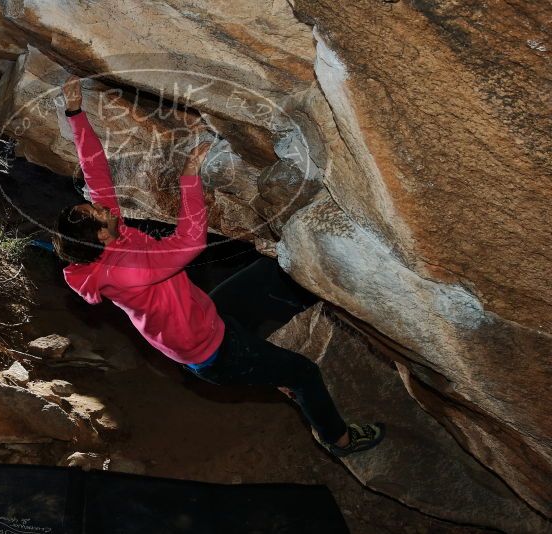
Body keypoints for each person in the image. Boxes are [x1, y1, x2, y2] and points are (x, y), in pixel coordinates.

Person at [53, 76, 384, 457]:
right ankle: (339, 439)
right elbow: (189, 242)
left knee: (275, 273)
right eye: (96, 212)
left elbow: (95, 171)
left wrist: (75, 113)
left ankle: (272, 363)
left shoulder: (106, 237)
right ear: (100, 238)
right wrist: (189, 179)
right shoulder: (123, 271)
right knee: (305, 373)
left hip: (205, 315)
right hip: (213, 352)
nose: (103, 207)